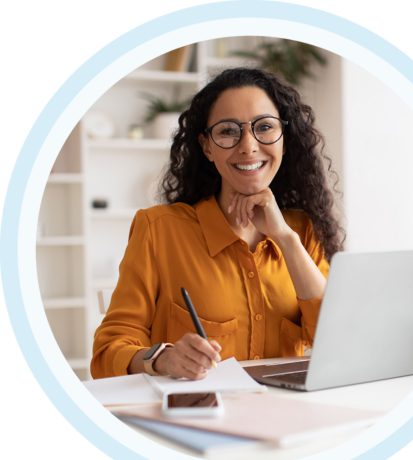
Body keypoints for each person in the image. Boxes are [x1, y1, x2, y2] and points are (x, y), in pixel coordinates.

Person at [91, 67, 344, 380]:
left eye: (264, 126)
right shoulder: (159, 229)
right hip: (196, 418)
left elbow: (340, 343)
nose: (248, 145)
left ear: (284, 140)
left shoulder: (301, 231)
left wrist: (285, 238)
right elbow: (108, 352)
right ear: (207, 146)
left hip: (284, 415)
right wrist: (165, 359)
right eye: (228, 131)